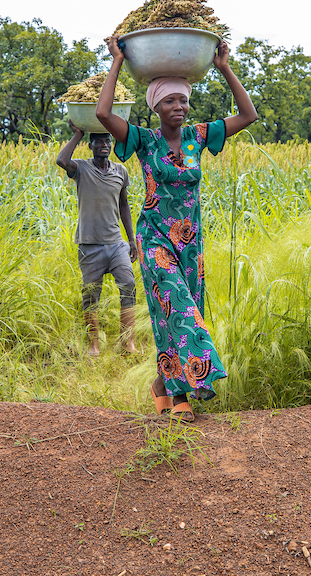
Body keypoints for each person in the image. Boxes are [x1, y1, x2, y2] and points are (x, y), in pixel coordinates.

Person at [95, 35, 257, 422]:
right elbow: (103, 114)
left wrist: (224, 68)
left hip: (190, 244)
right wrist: (116, 61)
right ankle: (187, 387)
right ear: (156, 106)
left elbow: (248, 115)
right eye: (170, 100)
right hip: (153, 240)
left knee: (172, 312)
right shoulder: (143, 140)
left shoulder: (198, 137)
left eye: (183, 100)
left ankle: (163, 385)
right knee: (180, 307)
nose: (179, 107)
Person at [56, 124, 140, 356]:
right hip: (89, 244)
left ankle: (127, 343)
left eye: (108, 141)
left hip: (116, 243)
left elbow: (124, 205)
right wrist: (78, 134)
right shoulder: (81, 168)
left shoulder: (120, 171)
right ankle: (93, 345)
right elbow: (62, 161)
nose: (104, 145)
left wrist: (131, 239)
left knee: (128, 285)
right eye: (99, 141)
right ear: (91, 146)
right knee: (91, 294)